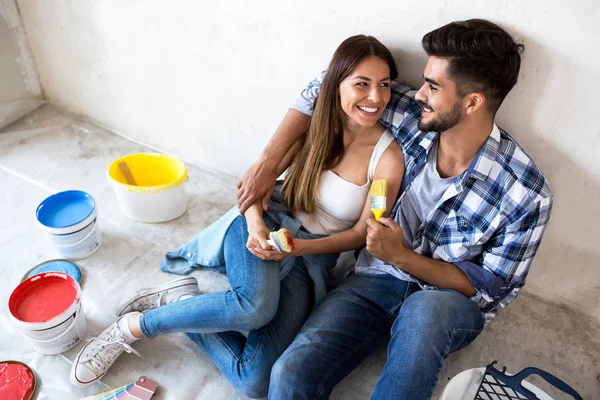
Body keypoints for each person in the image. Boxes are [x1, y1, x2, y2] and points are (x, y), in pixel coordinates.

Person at [69, 35, 404, 398]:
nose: (376, 98)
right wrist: (256, 225)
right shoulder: (315, 126)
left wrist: (299, 251)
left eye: (384, 85)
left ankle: (180, 305)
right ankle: (133, 327)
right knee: (255, 306)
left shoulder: (387, 158)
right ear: (336, 83)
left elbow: (360, 234)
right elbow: (254, 186)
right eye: (362, 84)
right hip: (264, 221)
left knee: (255, 380)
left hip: (311, 258)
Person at [238, 19, 553, 400]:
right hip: (374, 281)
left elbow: (489, 288)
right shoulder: (411, 113)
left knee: (425, 311)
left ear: (472, 102)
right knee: (289, 373)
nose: (418, 93)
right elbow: (328, 81)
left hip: (444, 302)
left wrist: (402, 256)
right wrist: (268, 164)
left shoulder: (526, 192)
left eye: (433, 86)